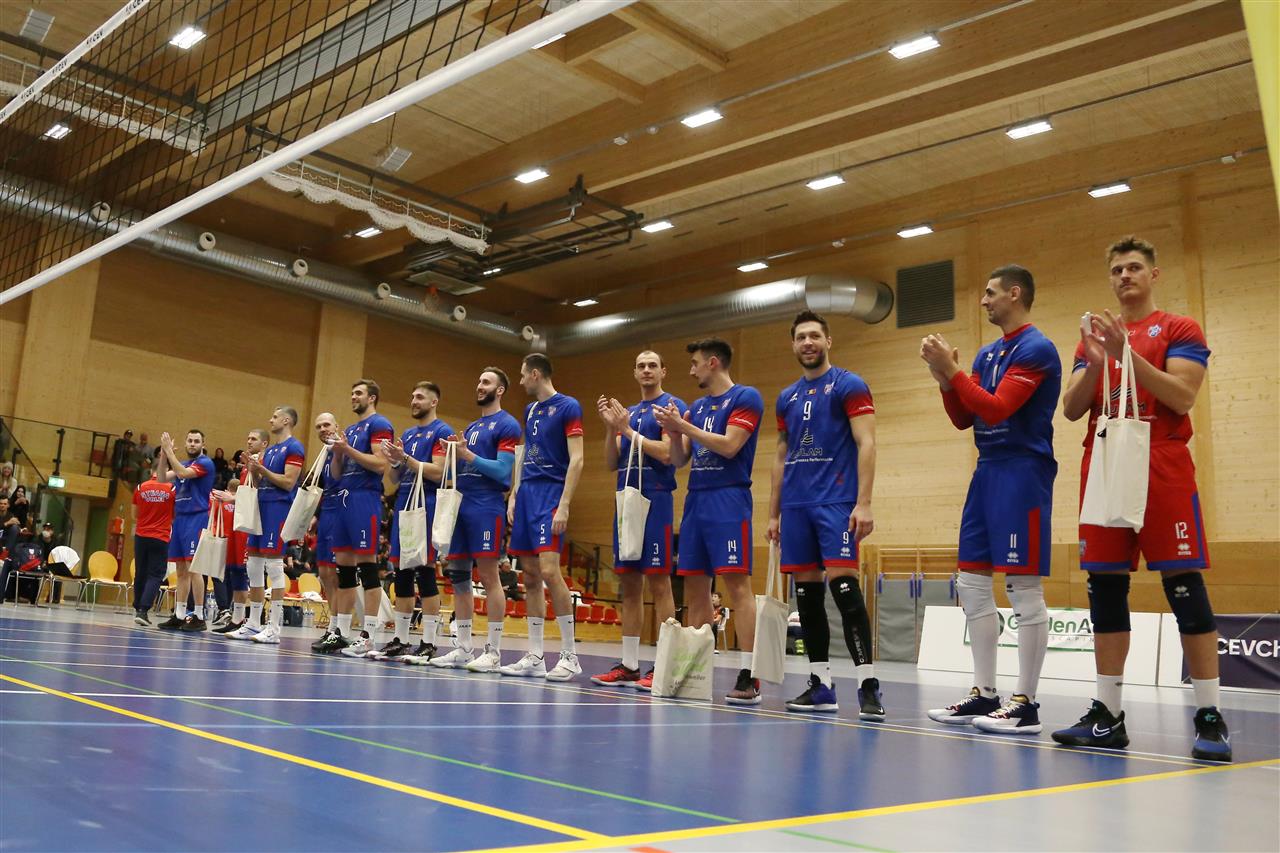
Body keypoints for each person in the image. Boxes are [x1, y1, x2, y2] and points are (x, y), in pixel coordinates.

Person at [1052, 236, 1231, 761]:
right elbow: (1071, 408)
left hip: (1161, 460)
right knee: (1104, 586)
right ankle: (1107, 714)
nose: (1125, 276)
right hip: (1105, 459)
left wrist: (1126, 355)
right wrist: (1095, 359)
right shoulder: (1094, 336)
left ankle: (1210, 715)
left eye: (1134, 267)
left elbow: (1182, 395)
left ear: (1154, 275)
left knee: (1184, 584)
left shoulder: (1179, 328)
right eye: (1117, 270)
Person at [919, 268, 1060, 733]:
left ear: (1014, 294)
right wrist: (945, 379)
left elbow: (998, 408)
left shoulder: (1036, 348)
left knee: (1023, 586)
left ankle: (1026, 704)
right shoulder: (987, 353)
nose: (983, 301)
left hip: (1023, 471)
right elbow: (966, 417)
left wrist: (954, 371)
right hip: (988, 470)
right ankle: (984, 693)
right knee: (973, 582)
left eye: (990, 292)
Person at [766, 310, 883, 719]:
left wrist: (863, 502)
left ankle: (868, 686)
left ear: (828, 341)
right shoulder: (787, 397)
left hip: (835, 503)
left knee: (845, 591)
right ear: (793, 344)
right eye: (801, 337)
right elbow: (780, 457)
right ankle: (821, 685)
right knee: (807, 600)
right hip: (796, 508)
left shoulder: (849, 384)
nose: (807, 343)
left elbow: (867, 443)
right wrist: (774, 514)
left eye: (814, 335)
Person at [655, 337, 763, 705]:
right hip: (696, 501)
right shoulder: (697, 407)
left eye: (695, 363)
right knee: (695, 586)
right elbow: (678, 459)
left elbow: (730, 445)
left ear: (713, 363)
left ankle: (749, 673)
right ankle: (696, 669)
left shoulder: (746, 397)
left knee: (737, 586)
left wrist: (683, 428)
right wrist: (674, 432)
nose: (691, 370)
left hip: (729, 499)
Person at [591, 349, 685, 689]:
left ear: (663, 371)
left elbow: (668, 453)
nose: (646, 370)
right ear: (634, 372)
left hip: (656, 497)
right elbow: (610, 462)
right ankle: (630, 664)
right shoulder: (627, 412)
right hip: (625, 499)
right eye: (641, 366)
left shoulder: (671, 406)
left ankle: (665, 663)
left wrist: (627, 430)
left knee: (659, 582)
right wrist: (610, 429)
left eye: (652, 365)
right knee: (629, 583)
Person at [498, 353, 585, 681]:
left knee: (549, 570)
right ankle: (535, 656)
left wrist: (564, 504)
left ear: (536, 374)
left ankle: (569, 655)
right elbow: (525, 454)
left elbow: (577, 459)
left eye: (523, 375)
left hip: (551, 493)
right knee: (531, 577)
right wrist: (515, 492)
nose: (520, 381)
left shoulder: (568, 406)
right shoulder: (530, 410)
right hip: (527, 495)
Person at [429, 368, 520, 670]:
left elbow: (503, 471)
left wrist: (467, 455)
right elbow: (460, 468)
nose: (479, 386)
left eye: (486, 382)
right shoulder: (471, 427)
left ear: (500, 390)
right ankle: (464, 647)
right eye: (479, 381)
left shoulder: (507, 424)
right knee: (458, 577)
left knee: (490, 577)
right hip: (462, 504)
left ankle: (493, 651)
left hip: (486, 505)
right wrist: (451, 455)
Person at [376, 381, 455, 662]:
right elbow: (395, 478)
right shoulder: (408, 434)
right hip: (405, 502)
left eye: (419, 397)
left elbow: (439, 472)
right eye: (412, 396)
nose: (413, 401)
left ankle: (429, 642)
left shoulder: (442, 431)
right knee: (402, 572)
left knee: (425, 570)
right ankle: (401, 639)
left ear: (434, 402)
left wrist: (406, 458)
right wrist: (395, 462)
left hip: (427, 504)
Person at [326, 380, 394, 658]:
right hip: (344, 496)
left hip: (365, 498)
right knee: (343, 567)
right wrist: (337, 454)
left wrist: (348, 450)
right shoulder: (351, 430)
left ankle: (368, 636)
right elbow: (336, 474)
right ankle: (341, 632)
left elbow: (380, 464)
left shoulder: (380, 424)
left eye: (358, 393)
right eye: (352, 393)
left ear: (372, 397)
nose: (353, 397)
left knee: (367, 567)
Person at [230, 409, 305, 645]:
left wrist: (261, 469)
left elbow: (288, 482)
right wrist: (254, 470)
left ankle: (274, 628)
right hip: (261, 506)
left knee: (273, 566)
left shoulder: (294, 447)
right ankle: (253, 623)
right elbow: (262, 481)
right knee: (252, 564)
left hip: (278, 507)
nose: (270, 420)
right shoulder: (270, 450)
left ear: (286, 420)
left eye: (275, 416)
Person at [154, 430, 216, 631]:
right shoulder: (184, 463)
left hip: (196, 517)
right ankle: (180, 614)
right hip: (180, 518)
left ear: (203, 444)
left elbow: (181, 473)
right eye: (189, 440)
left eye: (196, 441)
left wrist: (170, 453)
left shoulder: (205, 463)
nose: (192, 444)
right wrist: (164, 456)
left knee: (194, 568)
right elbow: (161, 478)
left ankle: (199, 615)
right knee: (181, 569)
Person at [213, 431, 267, 635]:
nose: (249, 441)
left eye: (254, 439)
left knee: (247, 573)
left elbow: (259, 493)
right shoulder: (245, 466)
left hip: (251, 524)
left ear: (264, 443)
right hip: (239, 523)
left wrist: (232, 498)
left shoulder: (264, 463)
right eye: (248, 438)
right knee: (234, 571)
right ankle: (236, 618)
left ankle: (254, 619)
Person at [310, 413, 352, 654]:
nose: (323, 429)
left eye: (326, 424)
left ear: (337, 426)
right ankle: (332, 627)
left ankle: (338, 628)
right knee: (325, 573)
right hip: (326, 513)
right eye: (318, 426)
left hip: (341, 511)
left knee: (336, 575)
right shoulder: (323, 454)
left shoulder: (344, 448)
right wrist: (316, 515)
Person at [131, 462, 175, 626]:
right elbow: (175, 514)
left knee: (140, 572)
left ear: (151, 470)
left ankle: (138, 607)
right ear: (167, 471)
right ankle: (143, 610)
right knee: (156, 574)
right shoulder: (172, 489)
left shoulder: (140, 487)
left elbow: (134, 514)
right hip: (161, 536)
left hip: (141, 535)